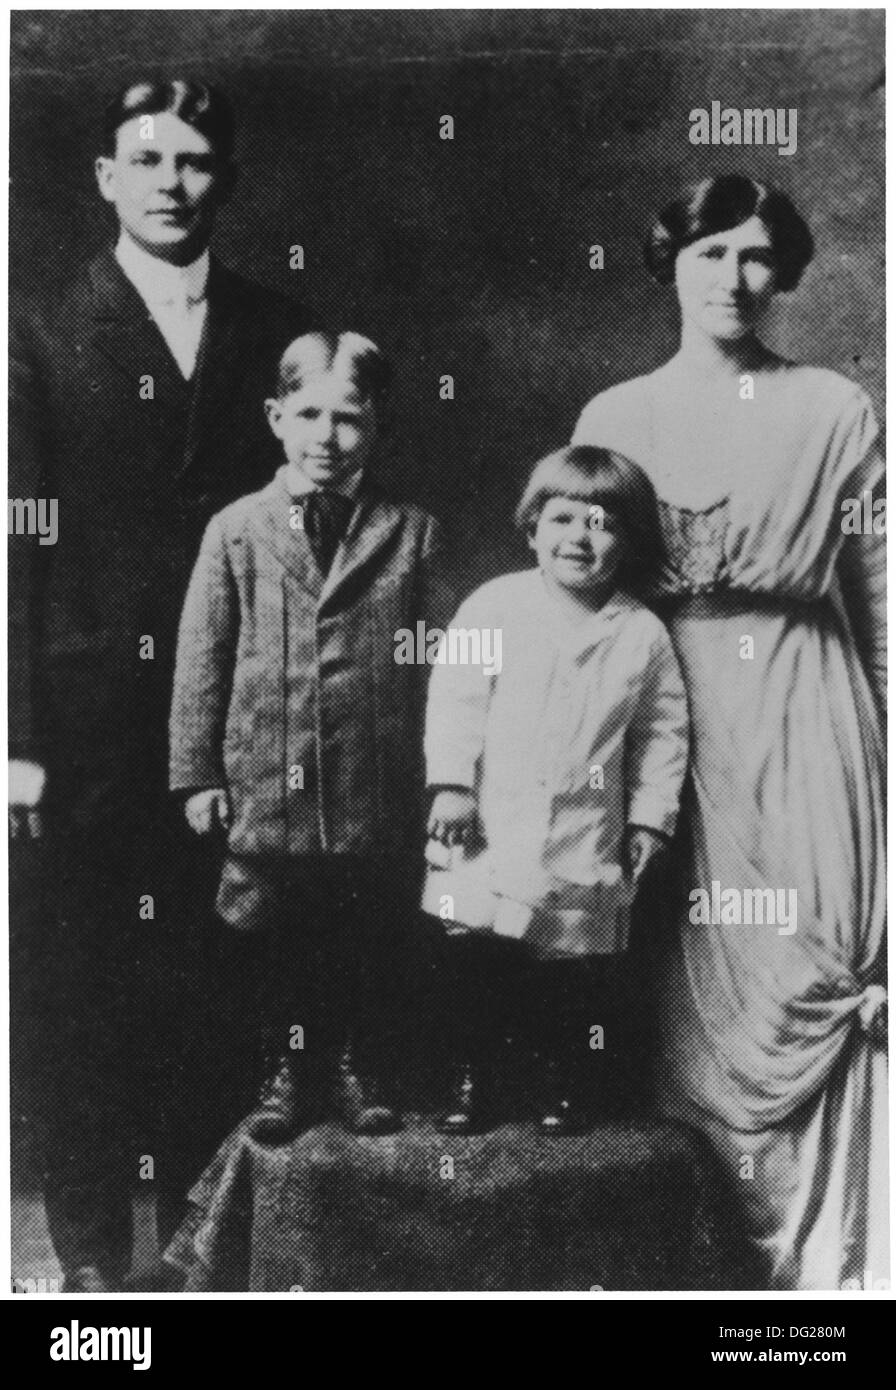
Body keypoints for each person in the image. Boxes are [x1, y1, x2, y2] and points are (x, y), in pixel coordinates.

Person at [8, 76, 310, 1291]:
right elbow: (13, 539)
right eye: (148, 160)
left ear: (223, 179)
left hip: (236, 708)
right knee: (79, 984)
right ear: (106, 178)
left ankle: (200, 1251)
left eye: (193, 161)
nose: (172, 183)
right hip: (87, 718)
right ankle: (90, 1258)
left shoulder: (276, 327)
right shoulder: (37, 331)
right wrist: (15, 737)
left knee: (213, 976)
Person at [572, 174, 887, 1289]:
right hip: (667, 711)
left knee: (810, 955)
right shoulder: (615, 417)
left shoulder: (834, 409)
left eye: (756, 255)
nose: (734, 278)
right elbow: (580, 600)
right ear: (669, 262)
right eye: (709, 253)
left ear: (783, 271)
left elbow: (881, 588)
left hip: (805, 708)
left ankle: (836, 1272)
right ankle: (711, 1269)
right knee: (681, 974)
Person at [169, 331, 452, 1142]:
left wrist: (446, 775)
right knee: (277, 931)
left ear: (377, 424)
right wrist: (196, 774)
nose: (327, 437)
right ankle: (287, 1074)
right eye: (309, 415)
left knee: (365, 927)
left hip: (375, 777)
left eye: (349, 418)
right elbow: (202, 655)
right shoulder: (236, 529)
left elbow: (444, 667)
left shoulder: (413, 532)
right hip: (267, 776)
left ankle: (358, 1068)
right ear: (275, 417)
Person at [423, 445, 689, 1134]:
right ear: (532, 528)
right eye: (563, 519)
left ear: (629, 541)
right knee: (477, 951)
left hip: (583, 828)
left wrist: (650, 819)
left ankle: (559, 1083)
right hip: (489, 822)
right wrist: (452, 785)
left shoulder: (641, 633)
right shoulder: (495, 606)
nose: (579, 537)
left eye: (602, 524)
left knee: (566, 968)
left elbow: (662, 733)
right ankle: (473, 1079)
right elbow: (455, 697)